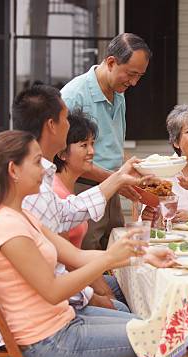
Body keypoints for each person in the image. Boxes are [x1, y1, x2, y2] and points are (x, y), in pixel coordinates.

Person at [0, 131, 172, 357]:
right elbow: (52, 290)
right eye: (37, 162)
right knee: (160, 341)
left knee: (156, 332)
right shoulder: (7, 227)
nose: (45, 169)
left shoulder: (21, 215)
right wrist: (109, 260)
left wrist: (142, 256)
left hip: (62, 324)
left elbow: (77, 255)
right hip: (48, 344)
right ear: (13, 170)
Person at [0, 85, 150, 351]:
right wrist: (98, 285)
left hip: (53, 316)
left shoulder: (22, 207)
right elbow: (54, 284)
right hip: (43, 331)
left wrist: (136, 255)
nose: (46, 171)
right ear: (51, 125)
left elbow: (68, 224)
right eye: (66, 118)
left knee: (145, 327)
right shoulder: (16, 212)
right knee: (150, 337)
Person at [61, 33, 152, 250]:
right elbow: (64, 158)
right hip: (82, 191)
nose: (134, 82)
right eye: (131, 74)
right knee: (88, 262)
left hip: (112, 190)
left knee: (117, 257)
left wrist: (135, 174)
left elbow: (114, 145)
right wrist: (118, 180)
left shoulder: (119, 94)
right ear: (111, 62)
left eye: (140, 76)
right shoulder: (73, 96)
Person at [53, 109, 130, 312]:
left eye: (92, 144)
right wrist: (102, 294)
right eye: (83, 145)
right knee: (123, 305)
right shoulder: (55, 192)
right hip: (67, 292)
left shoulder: (66, 187)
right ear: (62, 153)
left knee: (128, 289)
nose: (92, 152)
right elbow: (68, 261)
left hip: (78, 274)